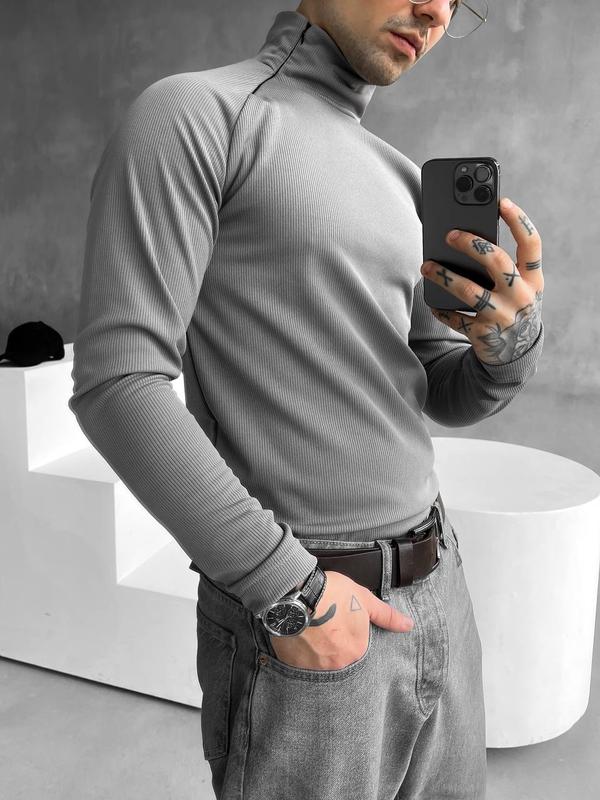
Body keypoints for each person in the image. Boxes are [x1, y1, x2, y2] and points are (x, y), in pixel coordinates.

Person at [69, 1, 544, 798]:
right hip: (309, 610)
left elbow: (435, 383)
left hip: (440, 589)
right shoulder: (196, 115)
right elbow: (118, 383)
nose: (435, 10)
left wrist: (508, 347)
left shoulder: (401, 177)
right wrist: (290, 594)